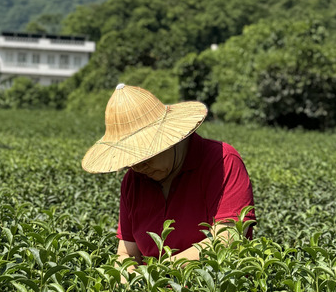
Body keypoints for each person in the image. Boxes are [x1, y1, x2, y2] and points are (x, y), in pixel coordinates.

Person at [81, 83, 254, 269]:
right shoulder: (133, 181)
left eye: (145, 155)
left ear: (169, 139)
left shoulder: (221, 161)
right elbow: (126, 252)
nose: (138, 166)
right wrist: (125, 275)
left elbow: (228, 240)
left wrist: (155, 274)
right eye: (131, 160)